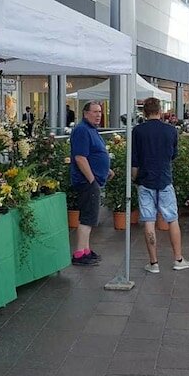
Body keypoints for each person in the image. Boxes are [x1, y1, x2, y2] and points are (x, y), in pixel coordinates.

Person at [133, 98, 189, 273]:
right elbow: (173, 154)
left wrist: (135, 178)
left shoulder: (138, 131)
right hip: (164, 179)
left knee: (149, 220)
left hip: (145, 180)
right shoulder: (170, 130)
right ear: (160, 111)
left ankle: (153, 263)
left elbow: (134, 159)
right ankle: (178, 259)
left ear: (144, 111)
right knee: (172, 219)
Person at [68, 101, 113, 266]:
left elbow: (95, 153)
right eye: (95, 112)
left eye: (100, 112)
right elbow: (80, 157)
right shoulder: (82, 130)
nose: (98, 115)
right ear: (85, 113)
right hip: (86, 181)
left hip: (93, 180)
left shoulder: (91, 130)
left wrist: (106, 170)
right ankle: (79, 253)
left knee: (91, 216)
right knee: (87, 217)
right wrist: (92, 179)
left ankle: (86, 249)